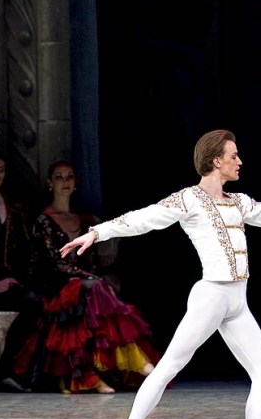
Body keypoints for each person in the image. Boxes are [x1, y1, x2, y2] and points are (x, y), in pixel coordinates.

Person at [60, 130, 261, 419]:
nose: (240, 161)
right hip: (211, 296)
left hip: (237, 303)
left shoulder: (238, 202)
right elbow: (143, 219)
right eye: (234, 155)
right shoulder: (190, 199)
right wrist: (98, 232)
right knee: (168, 366)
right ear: (216, 161)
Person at [12, 160, 158, 393]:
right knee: (91, 288)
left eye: (69, 176)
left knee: (96, 290)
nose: (65, 181)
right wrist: (88, 277)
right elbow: (55, 261)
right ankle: (117, 367)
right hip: (55, 282)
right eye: (59, 177)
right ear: (50, 183)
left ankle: (117, 366)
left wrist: (92, 276)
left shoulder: (81, 219)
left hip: (83, 281)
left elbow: (88, 258)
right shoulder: (43, 220)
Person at [0, 154, 43, 393]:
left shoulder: (12, 208)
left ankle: (5, 371)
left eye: (1, 170)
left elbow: (25, 251)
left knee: (35, 303)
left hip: (7, 283)